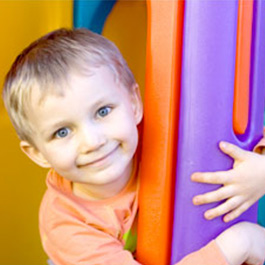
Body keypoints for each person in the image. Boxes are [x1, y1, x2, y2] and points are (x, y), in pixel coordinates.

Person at [2, 28, 265, 265]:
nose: (93, 142)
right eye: (62, 132)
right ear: (37, 153)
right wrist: (240, 243)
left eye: (103, 111)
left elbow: (243, 138)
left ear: (135, 104)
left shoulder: (164, 134)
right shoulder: (67, 224)